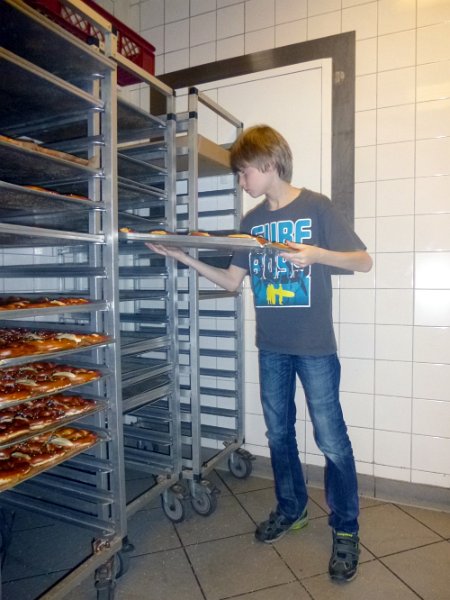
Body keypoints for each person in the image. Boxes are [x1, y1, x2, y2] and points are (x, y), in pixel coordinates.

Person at [146, 124, 373, 583]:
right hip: (271, 347)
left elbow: (363, 260)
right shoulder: (250, 224)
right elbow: (232, 282)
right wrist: (182, 257)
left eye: (244, 171)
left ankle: (346, 531)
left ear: (269, 164)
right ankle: (291, 510)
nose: (241, 180)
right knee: (278, 436)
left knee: (331, 440)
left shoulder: (317, 207)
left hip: (314, 348)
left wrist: (318, 255)